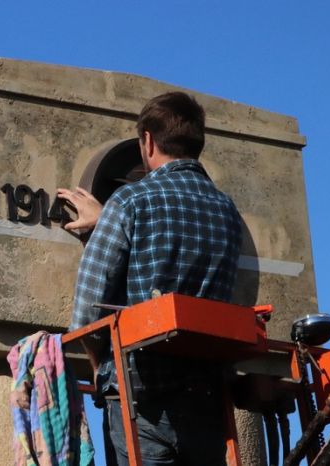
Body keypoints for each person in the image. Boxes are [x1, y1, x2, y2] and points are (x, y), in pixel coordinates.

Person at [58, 91, 242, 466]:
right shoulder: (227, 211)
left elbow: (87, 312)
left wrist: (100, 371)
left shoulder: (129, 202)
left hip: (140, 400)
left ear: (148, 141)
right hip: (205, 401)